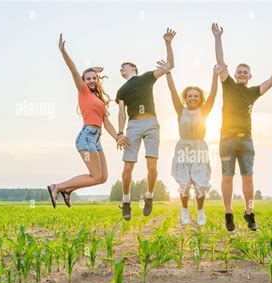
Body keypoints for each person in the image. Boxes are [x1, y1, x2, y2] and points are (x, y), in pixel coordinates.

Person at [211, 23, 272, 231]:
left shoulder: (252, 92)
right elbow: (220, 62)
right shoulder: (228, 85)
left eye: (245, 72)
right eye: (239, 71)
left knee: (248, 179)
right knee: (227, 177)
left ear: (250, 76)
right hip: (227, 139)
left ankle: (249, 214)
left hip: (247, 140)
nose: (241, 74)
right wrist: (217, 37)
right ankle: (228, 213)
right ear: (235, 74)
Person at [47, 34, 118, 208]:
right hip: (86, 137)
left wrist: (118, 137)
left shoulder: (99, 100)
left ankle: (67, 190)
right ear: (84, 82)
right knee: (94, 176)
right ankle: (57, 187)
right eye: (88, 78)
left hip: (96, 138)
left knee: (102, 178)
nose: (92, 80)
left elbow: (106, 123)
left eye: (94, 78)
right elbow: (73, 71)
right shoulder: (83, 91)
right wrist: (64, 52)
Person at [116, 28, 176, 220]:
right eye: (120, 69)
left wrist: (168, 43)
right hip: (132, 126)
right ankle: (126, 202)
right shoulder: (121, 90)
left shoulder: (146, 77)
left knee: (151, 166)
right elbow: (121, 113)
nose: (121, 70)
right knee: (127, 168)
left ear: (133, 68)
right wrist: (119, 133)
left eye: (123, 67)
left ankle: (149, 196)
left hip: (151, 123)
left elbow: (170, 66)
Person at [157, 60, 220, 225]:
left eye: (196, 96)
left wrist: (215, 75)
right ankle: (184, 210)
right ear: (186, 98)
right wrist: (168, 73)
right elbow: (172, 91)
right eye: (190, 96)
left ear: (200, 99)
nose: (193, 98)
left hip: (199, 147)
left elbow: (213, 95)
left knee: (200, 183)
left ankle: (200, 212)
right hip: (183, 148)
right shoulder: (180, 110)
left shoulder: (204, 111)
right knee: (184, 183)